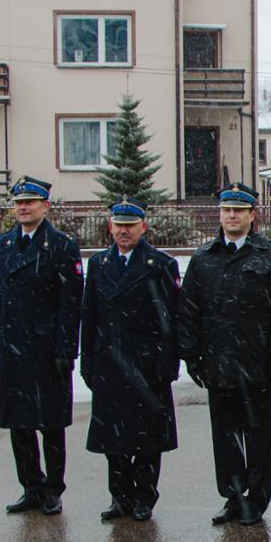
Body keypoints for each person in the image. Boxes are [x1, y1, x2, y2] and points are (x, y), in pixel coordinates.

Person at [181, 182, 271, 527]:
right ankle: (233, 497)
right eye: (226, 210)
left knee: (258, 435)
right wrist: (191, 355)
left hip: (256, 364)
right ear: (219, 214)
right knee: (225, 436)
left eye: (238, 210)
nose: (231, 216)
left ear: (252, 215)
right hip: (218, 363)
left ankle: (257, 499)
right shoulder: (204, 258)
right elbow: (189, 310)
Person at [0, 176, 82, 516]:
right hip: (12, 345)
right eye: (19, 202)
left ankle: (53, 488)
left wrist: (65, 349)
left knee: (50, 423)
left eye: (31, 202)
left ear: (45, 206)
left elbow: (71, 304)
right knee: (18, 423)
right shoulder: (4, 245)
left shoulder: (62, 246)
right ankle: (30, 486)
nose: (23, 207)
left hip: (46, 347)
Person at [81, 198, 181, 523]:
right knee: (114, 437)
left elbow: (170, 320)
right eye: (118, 225)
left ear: (144, 227)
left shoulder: (160, 264)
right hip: (110, 363)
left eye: (130, 225)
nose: (124, 231)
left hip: (146, 365)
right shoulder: (98, 264)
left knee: (148, 438)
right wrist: (88, 361)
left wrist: (166, 364)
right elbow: (90, 315)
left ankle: (144, 496)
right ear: (110, 227)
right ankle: (119, 496)